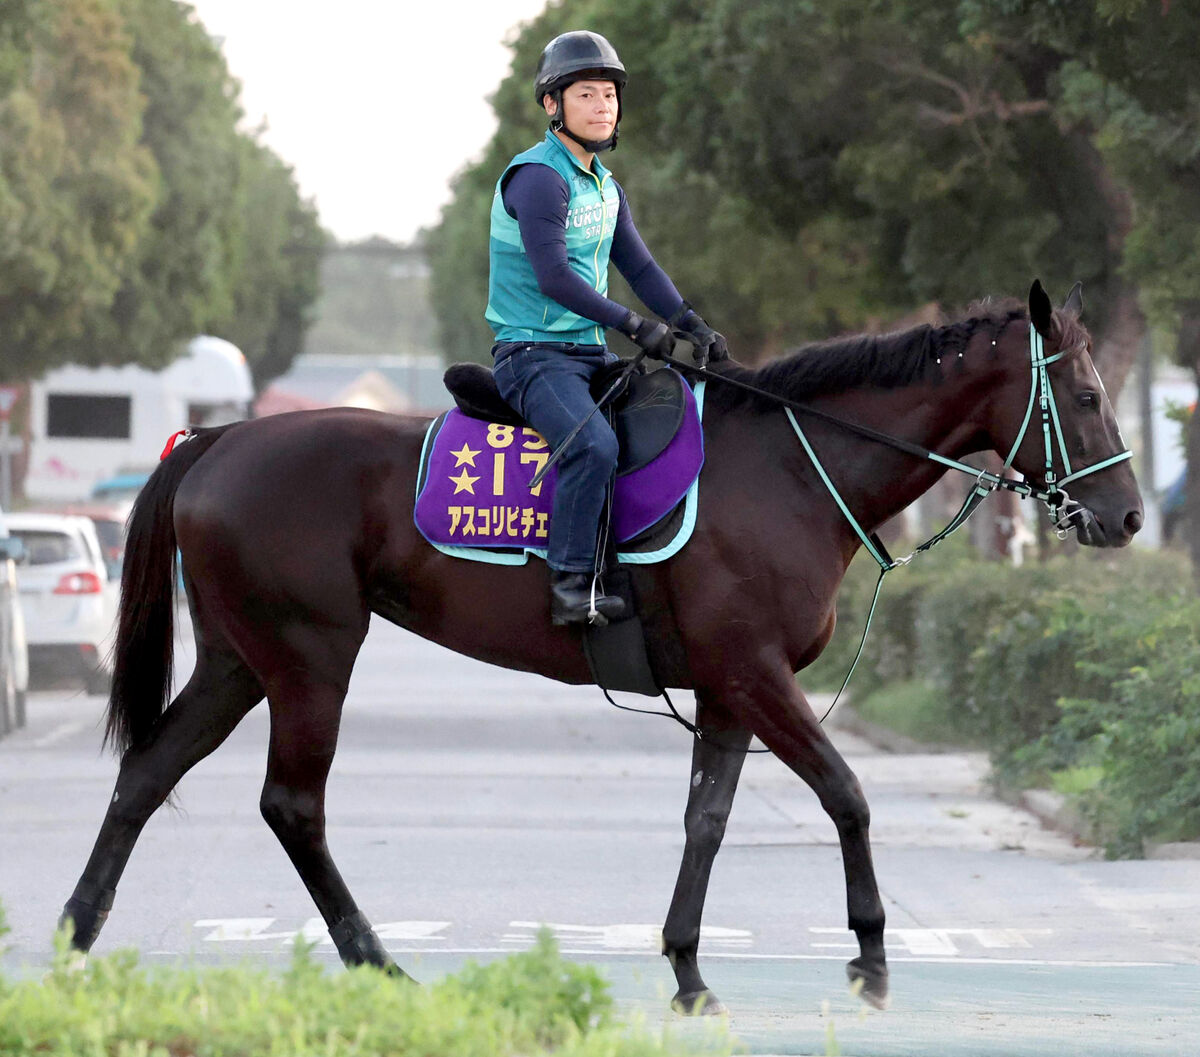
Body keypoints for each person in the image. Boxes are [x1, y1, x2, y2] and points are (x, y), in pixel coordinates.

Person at [486, 29, 728, 626]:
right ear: (553, 105)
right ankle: (571, 584)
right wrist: (634, 326)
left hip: (587, 354)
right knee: (592, 445)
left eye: (610, 96)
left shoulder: (604, 185)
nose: (602, 107)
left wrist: (691, 325)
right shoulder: (539, 177)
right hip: (532, 356)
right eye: (587, 95)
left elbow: (639, 266)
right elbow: (556, 279)